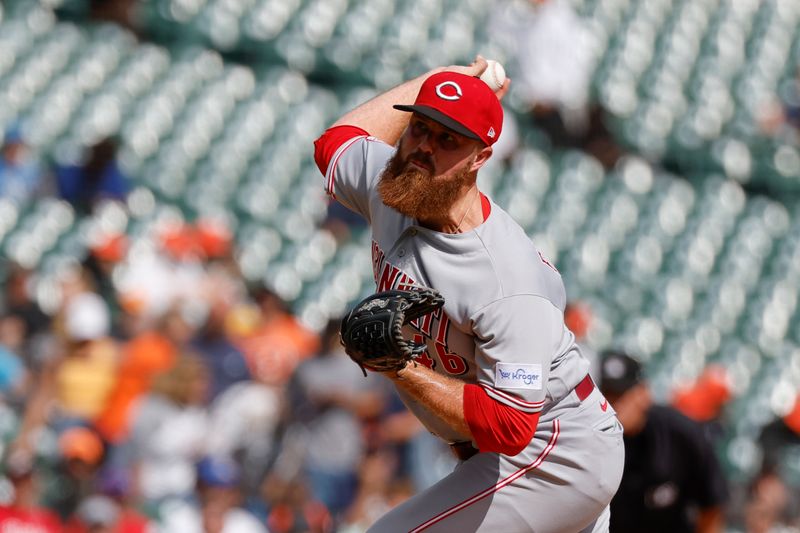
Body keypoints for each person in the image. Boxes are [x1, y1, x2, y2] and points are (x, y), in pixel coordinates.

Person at [313, 56, 624, 532]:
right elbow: (334, 144)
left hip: (556, 451)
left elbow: (510, 426)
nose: (423, 147)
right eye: (420, 127)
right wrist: (441, 80)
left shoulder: (506, 280)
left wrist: (401, 369)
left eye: (447, 140)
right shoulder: (394, 181)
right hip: (507, 451)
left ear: (480, 157)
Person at [598, 350, 729, 533]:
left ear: (643, 393)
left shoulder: (680, 434)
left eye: (621, 396)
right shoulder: (591, 442)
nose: (614, 406)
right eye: (606, 396)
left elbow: (712, 504)